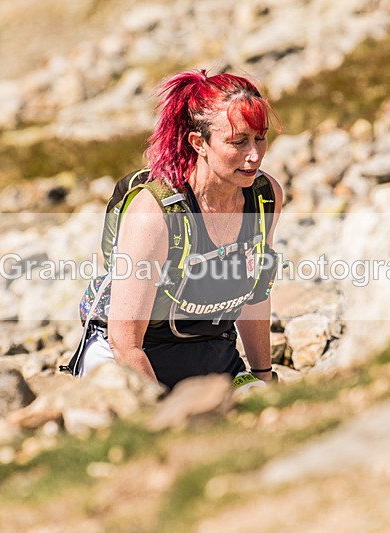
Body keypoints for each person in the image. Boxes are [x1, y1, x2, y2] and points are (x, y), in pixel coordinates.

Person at [99, 69, 283, 390]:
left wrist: (264, 376)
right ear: (199, 143)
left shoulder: (265, 196)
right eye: (237, 141)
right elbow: (125, 343)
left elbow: (255, 295)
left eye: (260, 137)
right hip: (133, 362)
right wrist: (162, 414)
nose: (254, 155)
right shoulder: (155, 213)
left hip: (214, 353)